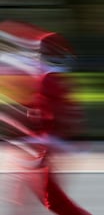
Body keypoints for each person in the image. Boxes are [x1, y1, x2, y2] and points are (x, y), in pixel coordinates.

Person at [0, 20, 92, 215]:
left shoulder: (48, 79)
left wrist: (44, 149)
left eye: (40, 51)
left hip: (48, 145)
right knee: (24, 197)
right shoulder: (50, 78)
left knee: (53, 201)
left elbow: (54, 116)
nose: (35, 54)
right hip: (43, 145)